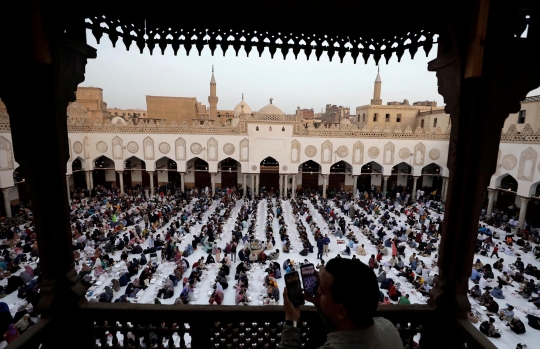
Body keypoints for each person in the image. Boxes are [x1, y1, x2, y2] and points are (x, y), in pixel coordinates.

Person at [279, 258, 402, 348]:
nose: (318, 291)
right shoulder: (388, 328)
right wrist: (321, 303)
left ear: (340, 310)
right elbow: (344, 324)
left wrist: (291, 321)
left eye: (322, 290)